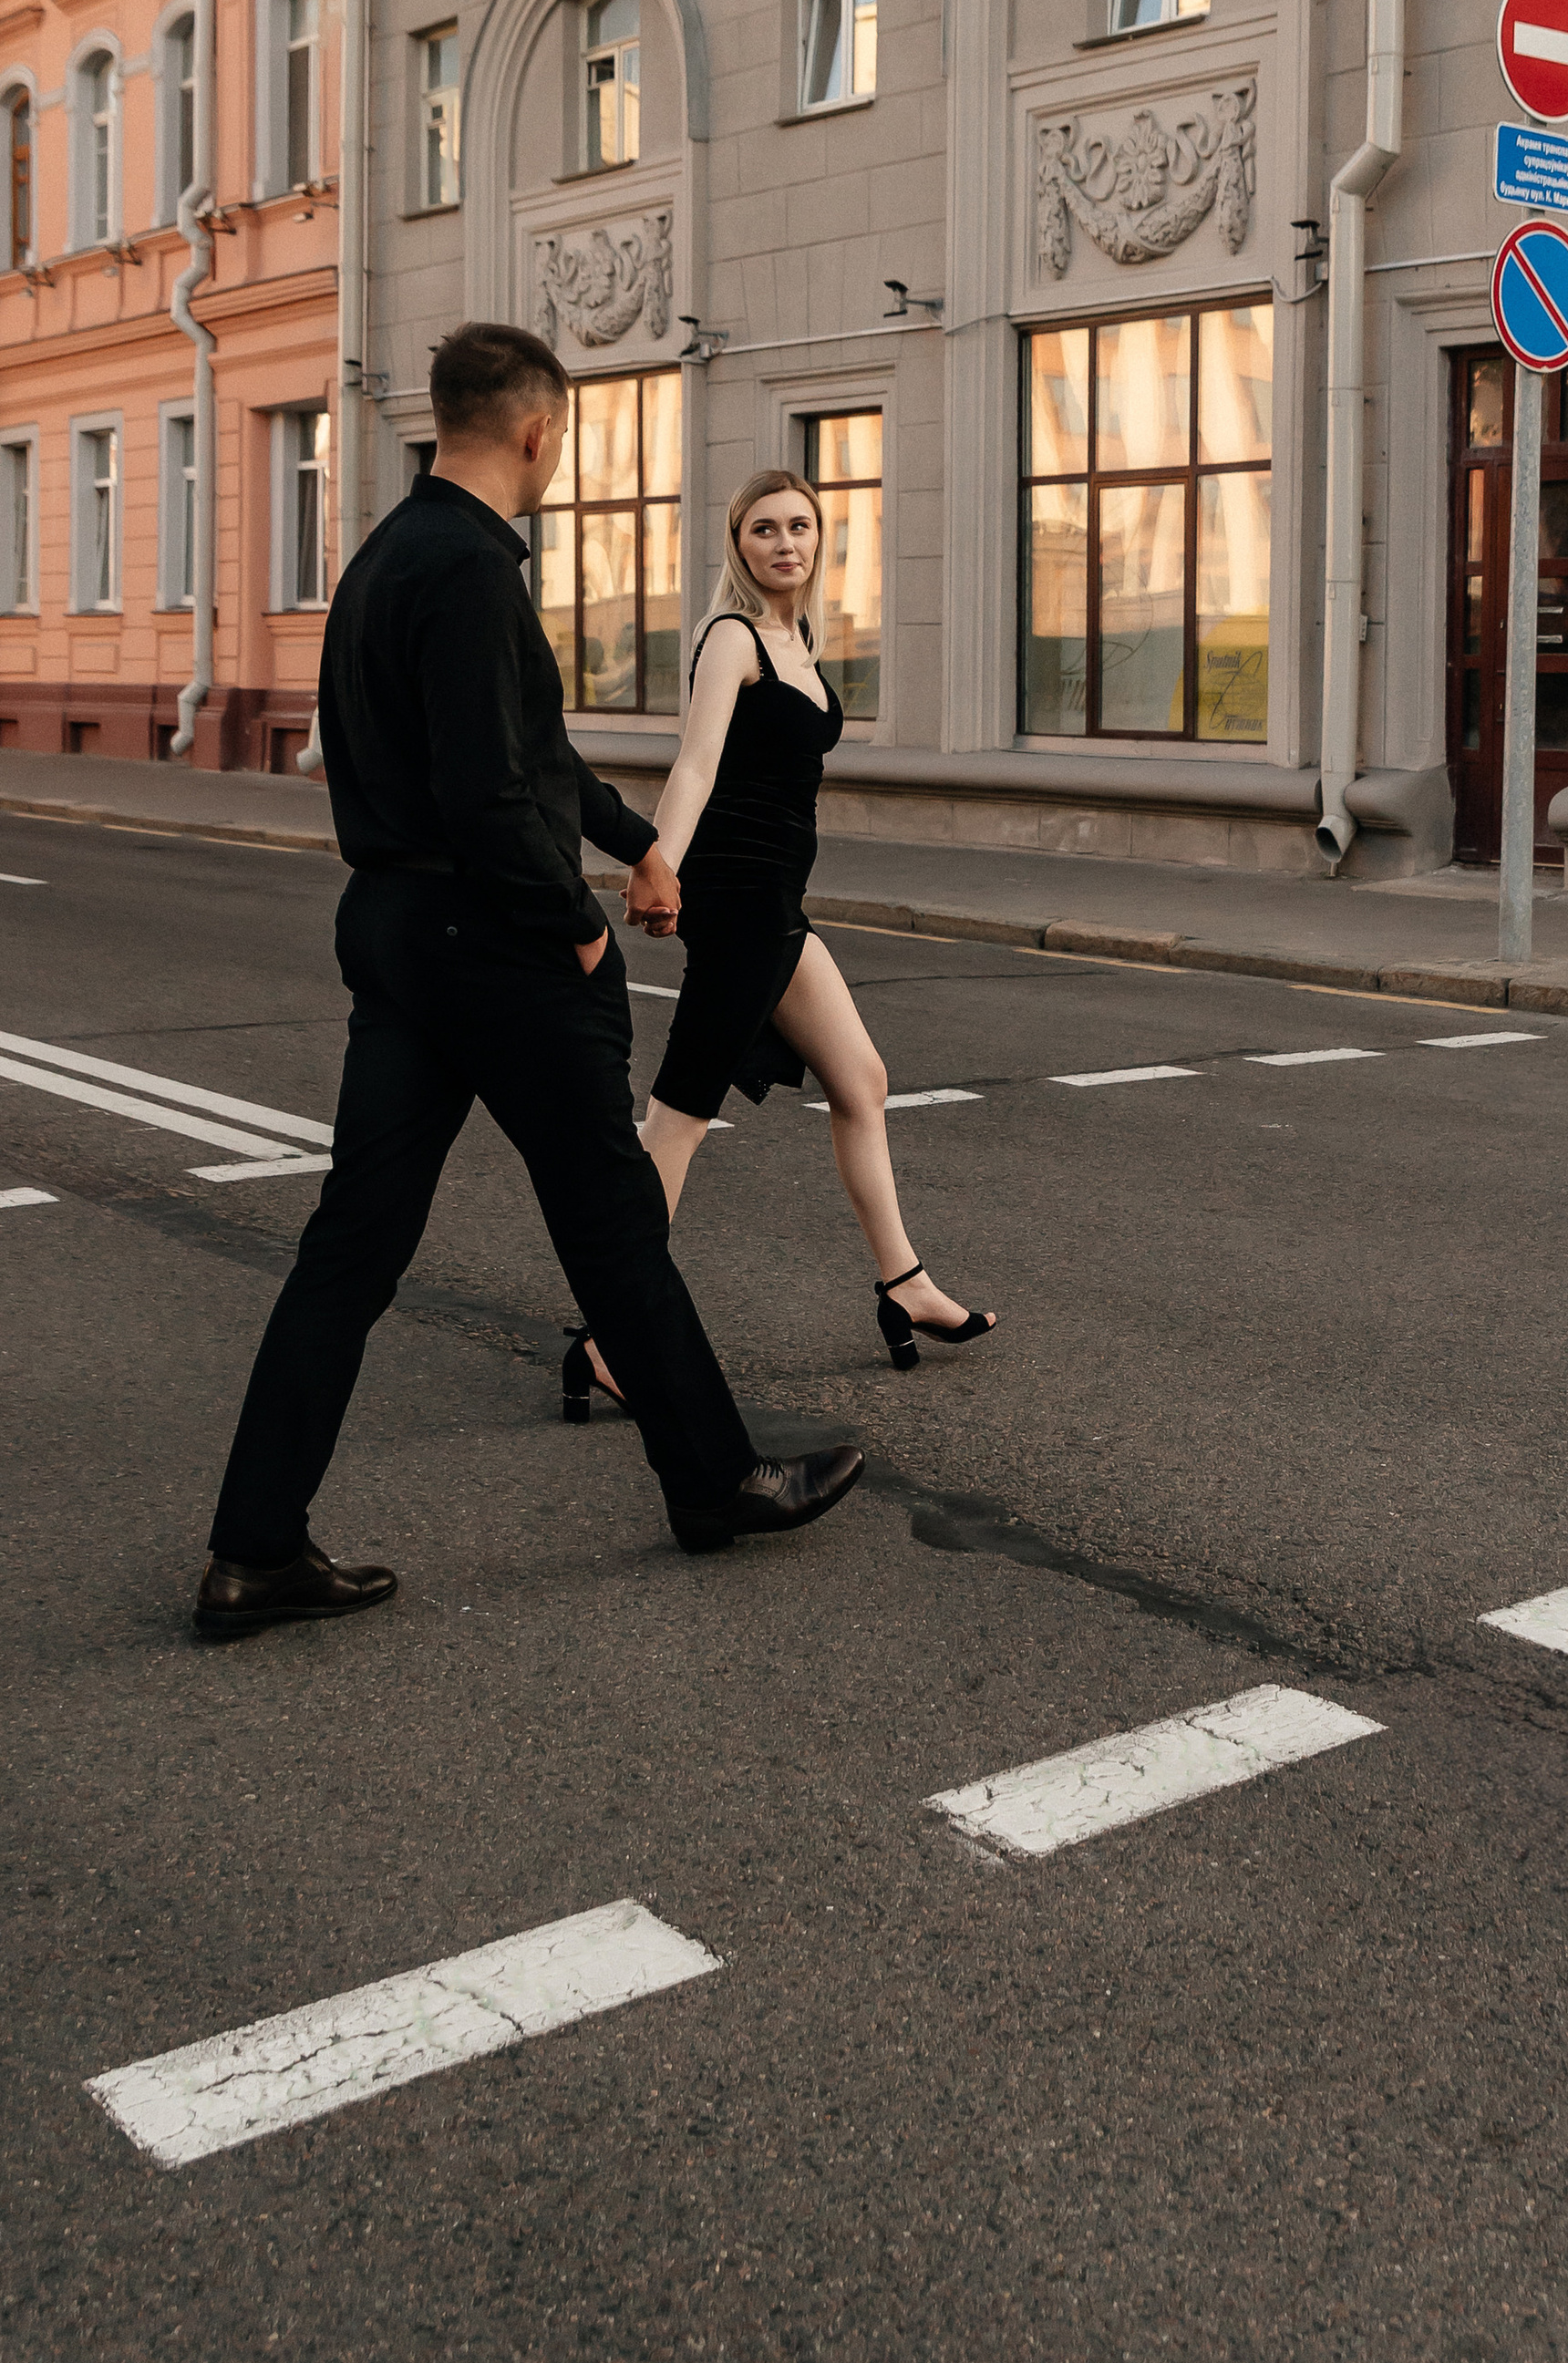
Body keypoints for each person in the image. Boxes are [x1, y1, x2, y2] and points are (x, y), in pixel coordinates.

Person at [194, 326, 863, 1639]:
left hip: (394, 931)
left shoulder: (387, 558)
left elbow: (532, 756)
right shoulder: (474, 574)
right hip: (491, 946)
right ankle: (717, 1480)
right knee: (614, 1221)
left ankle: (255, 1547)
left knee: (352, 1246)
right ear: (541, 434)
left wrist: (640, 847)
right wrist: (581, 926)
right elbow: (491, 790)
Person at [565, 463, 995, 1422]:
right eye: (765, 529)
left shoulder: (797, 636)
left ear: (819, 540)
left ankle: (903, 1283)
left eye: (800, 526)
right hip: (738, 901)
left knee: (863, 1081)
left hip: (778, 907)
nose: (784, 543)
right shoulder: (730, 638)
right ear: (739, 543)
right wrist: (656, 866)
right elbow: (696, 764)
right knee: (678, 1116)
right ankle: (606, 1339)